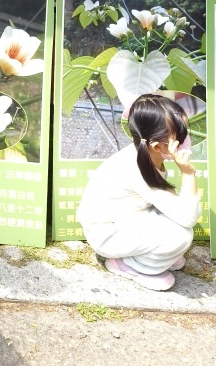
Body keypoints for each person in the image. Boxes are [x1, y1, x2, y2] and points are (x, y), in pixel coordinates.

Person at [76, 93, 200, 292]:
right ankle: (128, 265)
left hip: (127, 217)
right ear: (156, 145)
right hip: (108, 234)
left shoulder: (143, 153)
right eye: (181, 135)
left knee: (174, 220)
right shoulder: (137, 169)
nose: (186, 140)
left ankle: (152, 254)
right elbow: (189, 217)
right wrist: (188, 173)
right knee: (181, 236)